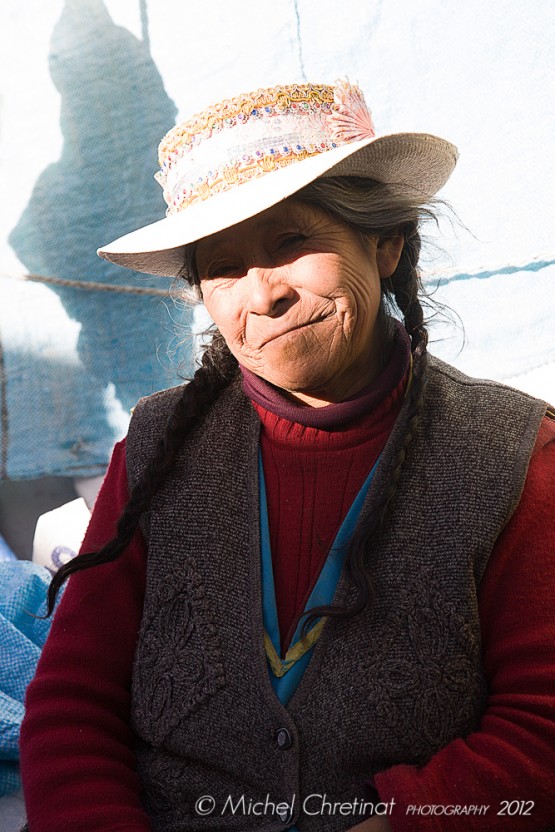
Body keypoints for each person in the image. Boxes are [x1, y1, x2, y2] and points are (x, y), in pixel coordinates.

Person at [19, 80, 555, 831]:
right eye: (223, 267)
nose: (262, 294)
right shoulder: (156, 447)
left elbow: (540, 731)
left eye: (291, 243)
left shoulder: (509, 454)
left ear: (386, 242)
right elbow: (72, 705)